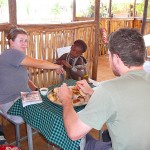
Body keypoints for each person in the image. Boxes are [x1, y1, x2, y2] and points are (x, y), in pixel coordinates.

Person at [57, 28, 150, 150]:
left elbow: (74, 133)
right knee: (107, 134)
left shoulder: (108, 89)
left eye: (109, 55)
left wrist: (66, 100)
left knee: (81, 140)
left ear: (116, 58)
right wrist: (91, 92)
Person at [0, 27, 64, 123]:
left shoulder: (18, 57)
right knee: (38, 113)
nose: (24, 44)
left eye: (26, 41)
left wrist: (36, 89)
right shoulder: (11, 54)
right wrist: (56, 66)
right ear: (11, 42)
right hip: (10, 100)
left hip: (23, 95)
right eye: (21, 40)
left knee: (48, 105)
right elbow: (40, 63)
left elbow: (25, 79)